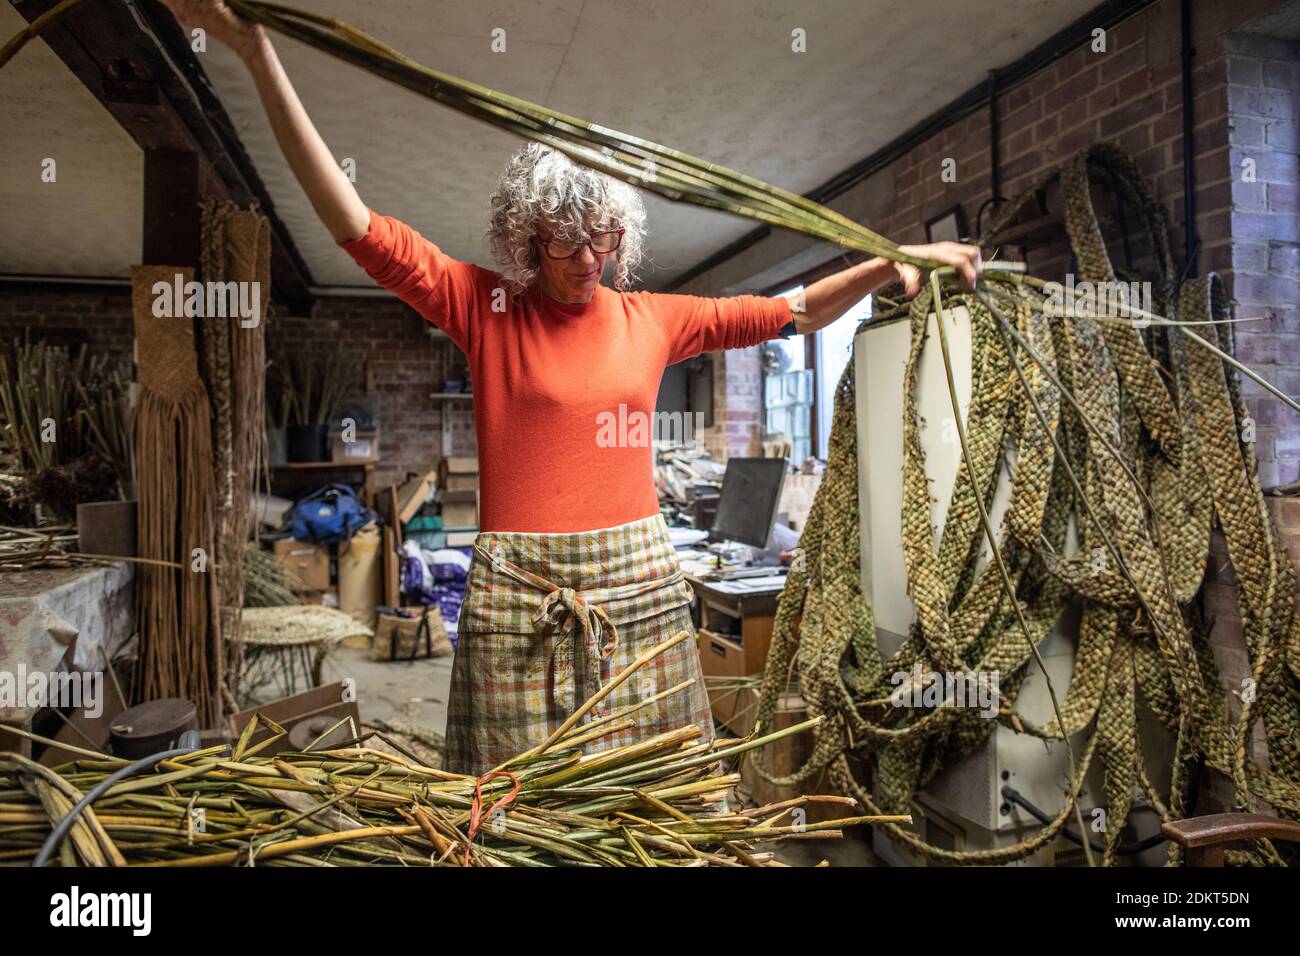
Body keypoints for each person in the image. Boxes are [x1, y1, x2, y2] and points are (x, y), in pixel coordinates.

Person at [161, 0, 983, 775]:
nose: (588, 258)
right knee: (522, 818)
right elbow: (356, 227)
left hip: (641, 591)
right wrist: (257, 51)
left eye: (603, 236)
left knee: (650, 806)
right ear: (526, 239)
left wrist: (893, 261)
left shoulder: (652, 318)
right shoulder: (483, 307)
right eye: (563, 241)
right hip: (519, 602)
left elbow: (793, 311)